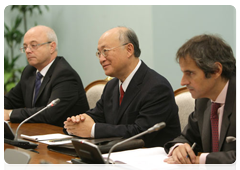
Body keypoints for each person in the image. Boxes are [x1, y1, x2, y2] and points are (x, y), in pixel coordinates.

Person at [64, 26, 181, 147]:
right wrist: (77, 122)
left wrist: (93, 130)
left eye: (105, 51)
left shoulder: (157, 87)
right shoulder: (112, 85)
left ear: (129, 50)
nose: (101, 59)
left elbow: (141, 132)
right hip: (117, 156)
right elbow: (97, 115)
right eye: (99, 53)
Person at [164, 34, 238, 170]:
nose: (183, 82)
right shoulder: (203, 101)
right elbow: (185, 137)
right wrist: (179, 148)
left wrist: (202, 160)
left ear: (216, 71)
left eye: (190, 73)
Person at [4, 25, 89, 127]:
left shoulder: (65, 75)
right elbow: (10, 100)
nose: (27, 51)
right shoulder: (29, 71)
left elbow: (49, 114)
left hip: (64, 137)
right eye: (25, 47)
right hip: (36, 133)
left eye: (33, 45)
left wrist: (10, 114)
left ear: (51, 47)